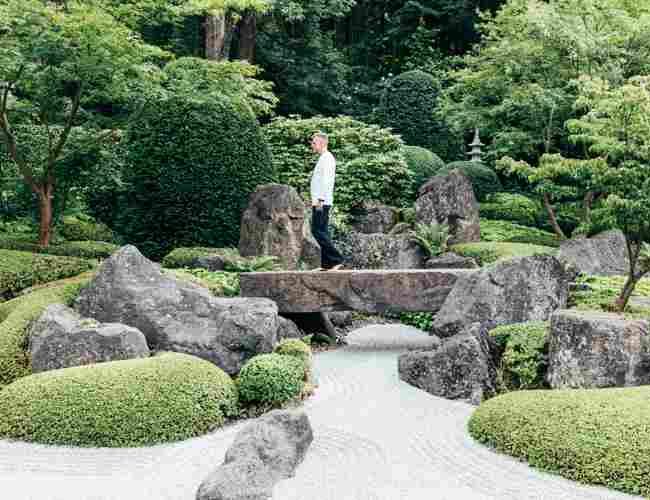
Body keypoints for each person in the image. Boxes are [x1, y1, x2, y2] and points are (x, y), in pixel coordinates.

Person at [310, 132, 344, 271]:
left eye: (314, 142)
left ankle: (337, 259)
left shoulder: (327, 158)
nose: (312, 145)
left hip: (321, 202)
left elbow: (326, 181)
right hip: (319, 201)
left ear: (322, 143)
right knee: (322, 230)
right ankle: (327, 264)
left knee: (317, 231)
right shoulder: (324, 158)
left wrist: (320, 200)